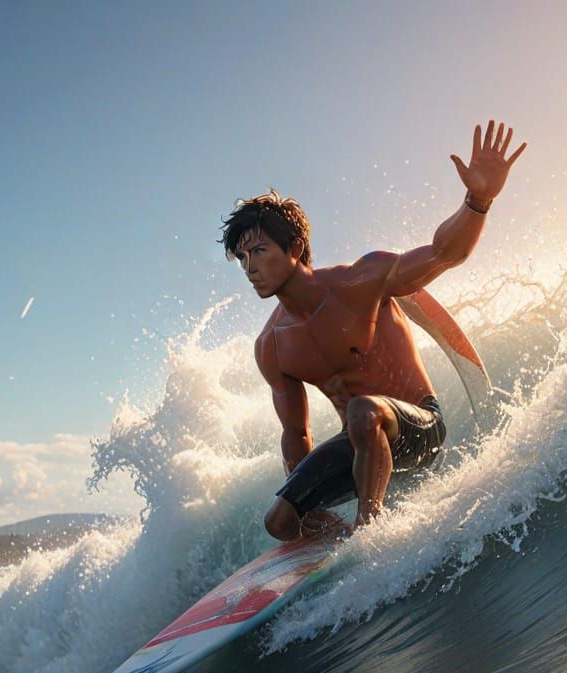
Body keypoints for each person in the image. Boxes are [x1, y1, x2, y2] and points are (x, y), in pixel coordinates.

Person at [221, 120, 526, 540]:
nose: (250, 267)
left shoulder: (358, 283)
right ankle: (344, 537)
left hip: (418, 427)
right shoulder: (272, 346)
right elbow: (296, 436)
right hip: (361, 447)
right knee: (280, 521)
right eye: (242, 258)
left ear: (293, 249)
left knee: (364, 411)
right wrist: (307, 510)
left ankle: (370, 536)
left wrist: (479, 199)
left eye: (259, 251)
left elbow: (443, 254)